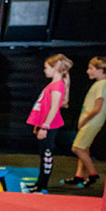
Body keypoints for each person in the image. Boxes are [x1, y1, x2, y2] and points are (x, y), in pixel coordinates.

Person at [64, 56, 106, 188]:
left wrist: (84, 120)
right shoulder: (99, 84)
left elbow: (97, 108)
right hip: (91, 121)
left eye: (91, 68)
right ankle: (79, 175)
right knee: (84, 148)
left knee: (77, 148)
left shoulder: (102, 85)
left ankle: (93, 174)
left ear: (101, 70)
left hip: (92, 122)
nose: (88, 71)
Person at [26, 54, 72, 192]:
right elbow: (45, 106)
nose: (45, 70)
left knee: (46, 155)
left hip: (50, 126)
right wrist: (38, 124)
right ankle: (39, 183)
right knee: (43, 155)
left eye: (47, 68)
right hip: (45, 124)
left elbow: (54, 107)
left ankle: (42, 185)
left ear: (55, 68)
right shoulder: (54, 84)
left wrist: (45, 127)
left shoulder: (57, 86)